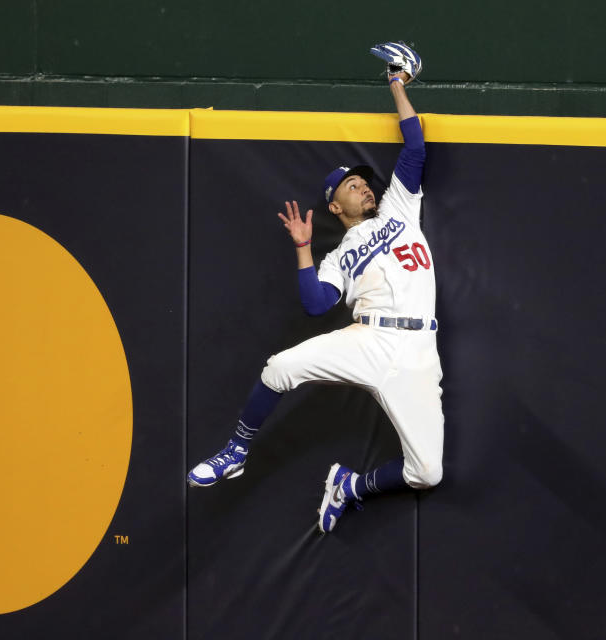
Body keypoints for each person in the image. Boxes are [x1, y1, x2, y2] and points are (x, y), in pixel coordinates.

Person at [187, 43, 443, 534]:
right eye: (352, 185)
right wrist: (303, 249)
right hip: (369, 338)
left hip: (418, 352)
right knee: (279, 367)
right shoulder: (337, 256)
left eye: (365, 182)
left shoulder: (398, 207)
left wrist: (396, 83)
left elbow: (415, 146)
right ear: (334, 205)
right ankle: (237, 450)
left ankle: (349, 487)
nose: (364, 187)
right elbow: (316, 303)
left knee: (426, 472)